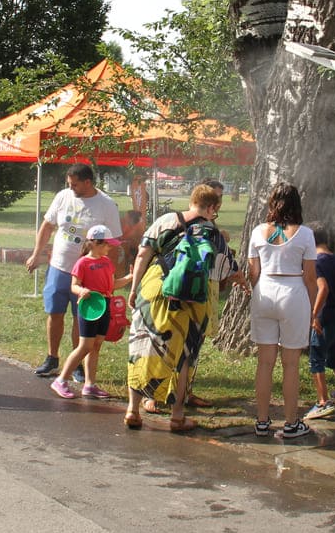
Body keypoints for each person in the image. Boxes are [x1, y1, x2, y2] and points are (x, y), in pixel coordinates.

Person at [124, 183, 233, 432]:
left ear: (192, 200)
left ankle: (133, 410)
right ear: (212, 207)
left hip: (154, 289)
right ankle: (177, 416)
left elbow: (142, 255)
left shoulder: (166, 221)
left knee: (142, 346)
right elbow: (224, 269)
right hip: (191, 299)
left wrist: (133, 289)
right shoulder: (213, 233)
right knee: (184, 355)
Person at [25, 164, 122, 380]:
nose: (71, 188)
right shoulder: (63, 196)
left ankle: (77, 364)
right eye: (69, 184)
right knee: (54, 313)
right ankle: (52, 359)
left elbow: (113, 243)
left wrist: (109, 273)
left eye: (75, 184)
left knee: (81, 318)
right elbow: (48, 226)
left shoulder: (106, 205)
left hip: (89, 274)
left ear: (88, 182)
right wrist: (35, 254)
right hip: (59, 267)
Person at [246, 182, 318, 440]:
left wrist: (255, 295)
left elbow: (253, 273)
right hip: (293, 292)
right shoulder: (306, 234)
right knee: (290, 364)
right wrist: (313, 311)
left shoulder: (257, 231)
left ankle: (262, 421)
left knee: (264, 362)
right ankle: (290, 423)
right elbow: (310, 277)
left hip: (264, 290)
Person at [49, 224, 130, 400]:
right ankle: (61, 380)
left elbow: (112, 285)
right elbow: (74, 285)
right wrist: (82, 291)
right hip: (89, 307)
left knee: (96, 346)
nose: (109, 247)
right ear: (94, 243)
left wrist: (129, 279)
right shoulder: (82, 263)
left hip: (104, 305)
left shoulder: (107, 262)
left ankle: (90, 385)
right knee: (85, 346)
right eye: (106, 244)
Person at [305, 222, 335, 420]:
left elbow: (322, 288)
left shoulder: (316, 261)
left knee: (317, 357)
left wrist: (314, 314)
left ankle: (323, 401)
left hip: (324, 316)